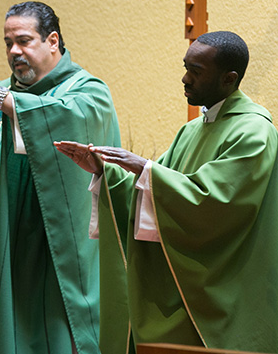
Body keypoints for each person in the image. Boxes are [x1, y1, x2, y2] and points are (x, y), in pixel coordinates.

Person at [55, 31, 278, 353]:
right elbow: (151, 192)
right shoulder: (191, 131)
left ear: (229, 79)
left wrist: (145, 168)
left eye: (196, 72)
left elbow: (215, 205)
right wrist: (106, 171)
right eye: (186, 67)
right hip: (179, 290)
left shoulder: (254, 132)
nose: (185, 79)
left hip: (224, 293)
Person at [0, 1, 122, 354]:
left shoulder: (87, 91)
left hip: (54, 252)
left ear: (53, 41)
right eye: (8, 43)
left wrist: (1, 100)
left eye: (24, 41)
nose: (14, 52)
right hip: (0, 242)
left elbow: (70, 120)